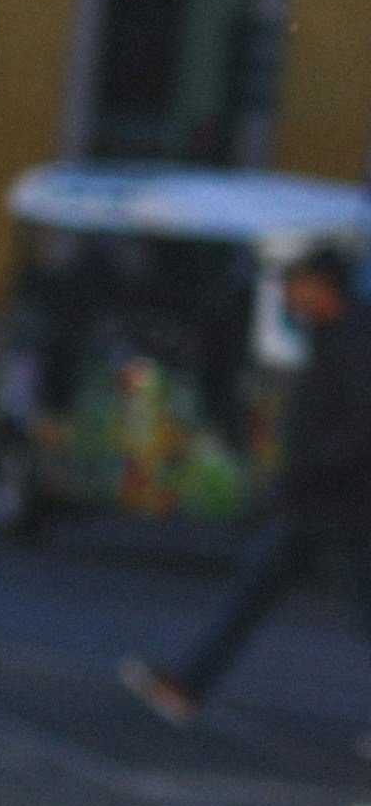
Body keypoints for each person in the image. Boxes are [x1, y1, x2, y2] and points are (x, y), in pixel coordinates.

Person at [125, 242, 371, 720]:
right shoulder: (333, 334)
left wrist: (318, 465)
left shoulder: (354, 339)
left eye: (297, 284)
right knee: (254, 589)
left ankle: (189, 684)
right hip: (317, 505)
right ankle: (187, 685)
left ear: (324, 288)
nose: (289, 295)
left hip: (346, 507)